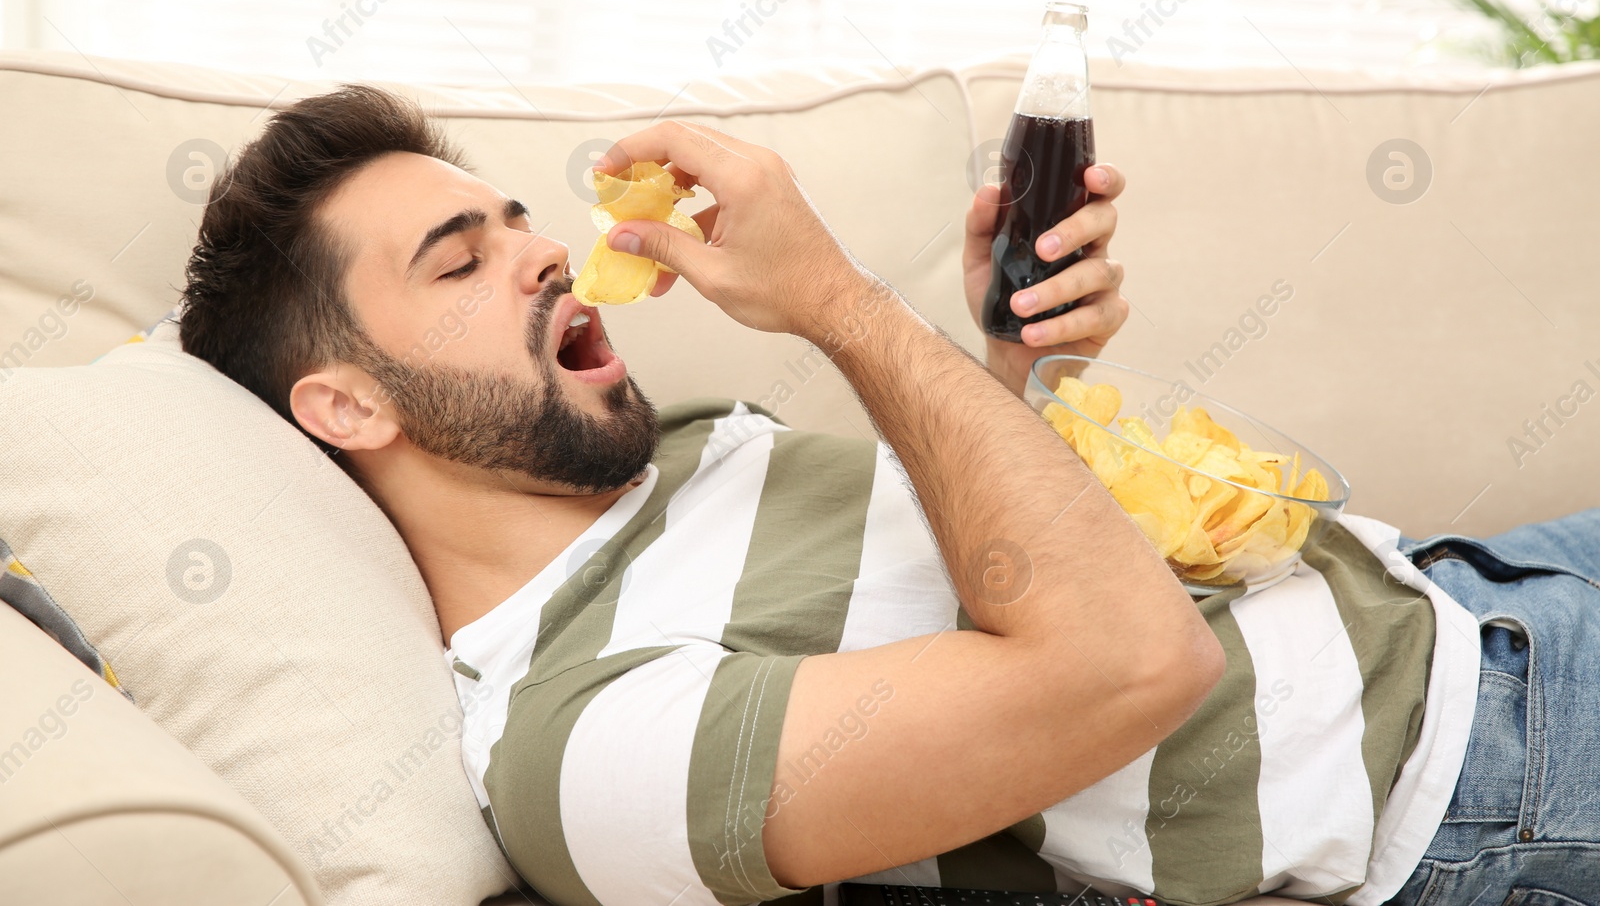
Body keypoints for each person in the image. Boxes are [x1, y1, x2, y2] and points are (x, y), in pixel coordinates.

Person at [178, 85, 1600, 906]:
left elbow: (989, 573)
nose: (544, 256)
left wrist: (1005, 358)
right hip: (1488, 780)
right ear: (346, 406)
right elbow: (1125, 663)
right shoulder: (582, 744)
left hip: (1479, 591)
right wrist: (844, 307)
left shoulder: (660, 462)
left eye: (515, 222)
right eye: (456, 261)